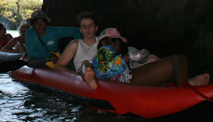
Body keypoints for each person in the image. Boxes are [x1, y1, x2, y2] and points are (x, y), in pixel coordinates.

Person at [82, 28, 210, 90]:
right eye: (114, 40)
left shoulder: (109, 54)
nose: (118, 43)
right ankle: (186, 89)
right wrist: (129, 57)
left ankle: (186, 83)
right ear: (104, 41)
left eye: (119, 41)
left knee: (166, 66)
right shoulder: (103, 50)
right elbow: (107, 69)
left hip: (124, 80)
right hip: (125, 81)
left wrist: (137, 58)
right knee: (179, 60)